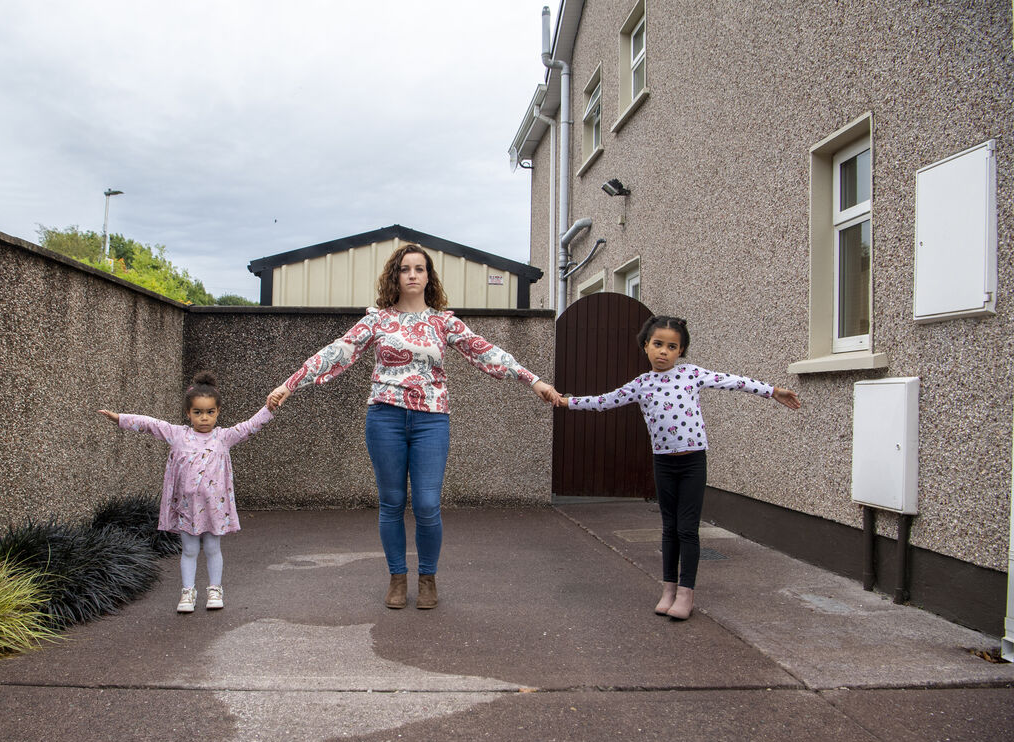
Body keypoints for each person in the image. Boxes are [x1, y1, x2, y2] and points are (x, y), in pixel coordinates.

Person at [267, 243, 559, 610]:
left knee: (426, 504)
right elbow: (335, 352)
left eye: (420, 269)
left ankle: (427, 578)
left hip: (431, 420)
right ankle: (396, 577)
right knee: (391, 503)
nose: (413, 275)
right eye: (405, 269)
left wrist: (534, 381)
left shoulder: (443, 322)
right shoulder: (377, 320)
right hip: (385, 417)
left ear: (428, 276)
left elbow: (485, 352)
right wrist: (289, 384)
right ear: (395, 276)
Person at [555, 315, 800, 620]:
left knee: (687, 529)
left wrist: (772, 391)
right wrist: (566, 402)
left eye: (672, 347)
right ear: (646, 346)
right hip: (663, 463)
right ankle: (668, 589)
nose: (663, 351)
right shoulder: (641, 384)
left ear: (680, 351)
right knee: (669, 529)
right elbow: (605, 401)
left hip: (693, 461)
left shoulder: (691, 374)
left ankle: (686, 593)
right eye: (658, 344)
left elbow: (733, 381)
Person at [98, 371, 273, 613]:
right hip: (186, 509)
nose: (204, 418)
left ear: (218, 411)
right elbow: (150, 424)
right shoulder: (178, 435)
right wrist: (119, 418)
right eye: (198, 412)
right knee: (189, 550)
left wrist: (269, 407)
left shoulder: (224, 437)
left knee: (212, 549)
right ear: (188, 413)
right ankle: (188, 592)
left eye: (210, 412)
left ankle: (215, 589)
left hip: (214, 509)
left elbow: (251, 426)